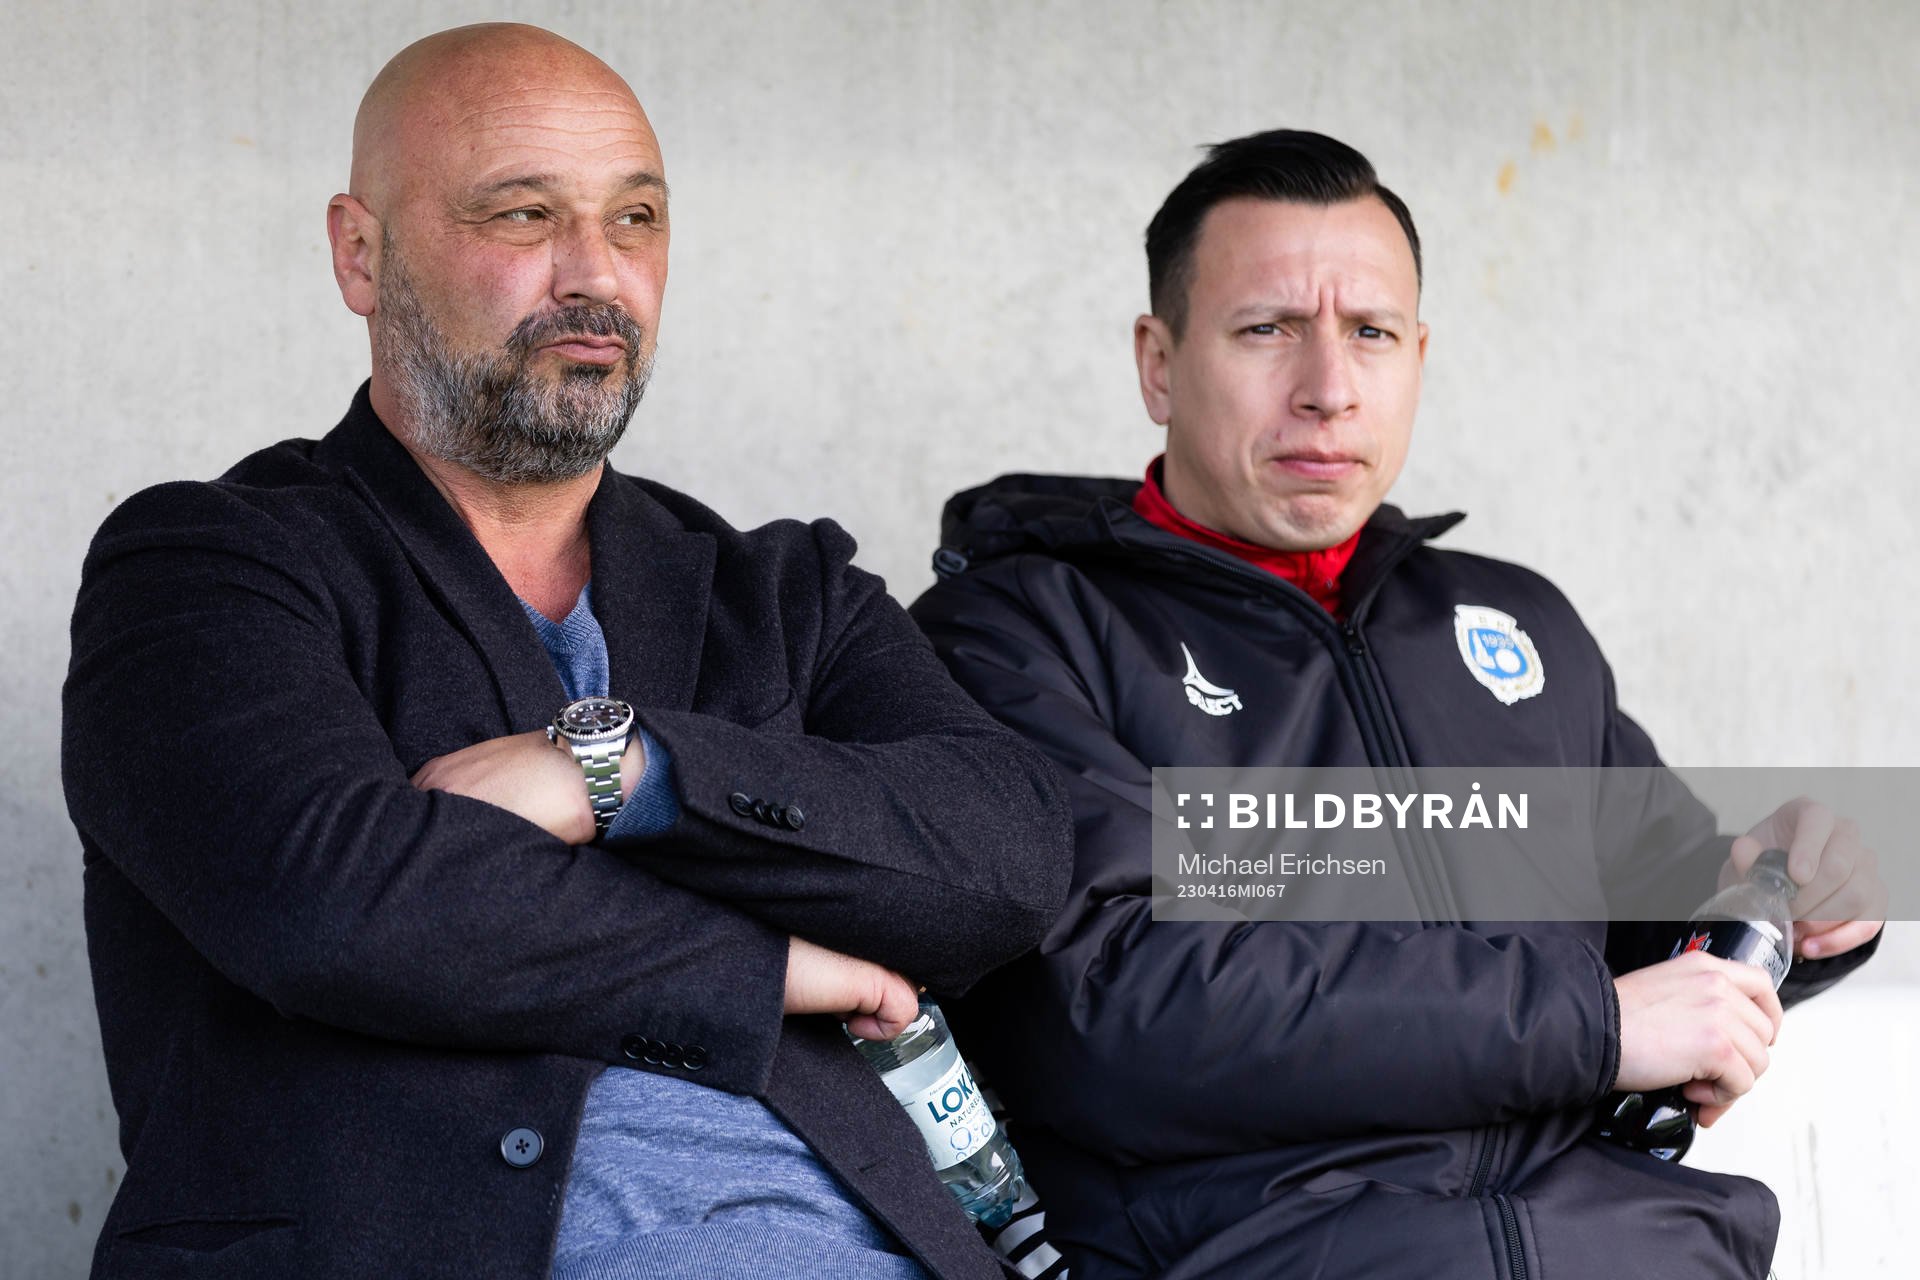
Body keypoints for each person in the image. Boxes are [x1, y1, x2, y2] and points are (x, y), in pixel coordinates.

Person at [63, 24, 1073, 1280]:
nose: (596, 273)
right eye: (524, 214)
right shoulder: (209, 566)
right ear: (360, 253)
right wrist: (778, 965)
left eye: (638, 219)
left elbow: (1012, 852)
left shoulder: (780, 589)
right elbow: (340, 903)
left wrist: (626, 775)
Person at [910, 130, 1884, 1279]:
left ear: (1418, 354)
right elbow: (1111, 1015)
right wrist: (1599, 1027)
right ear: (1159, 362)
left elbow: (1659, 909)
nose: (1328, 390)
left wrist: (1789, 905)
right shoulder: (1018, 635)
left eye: (1371, 333)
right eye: (1268, 329)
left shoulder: (1518, 624)